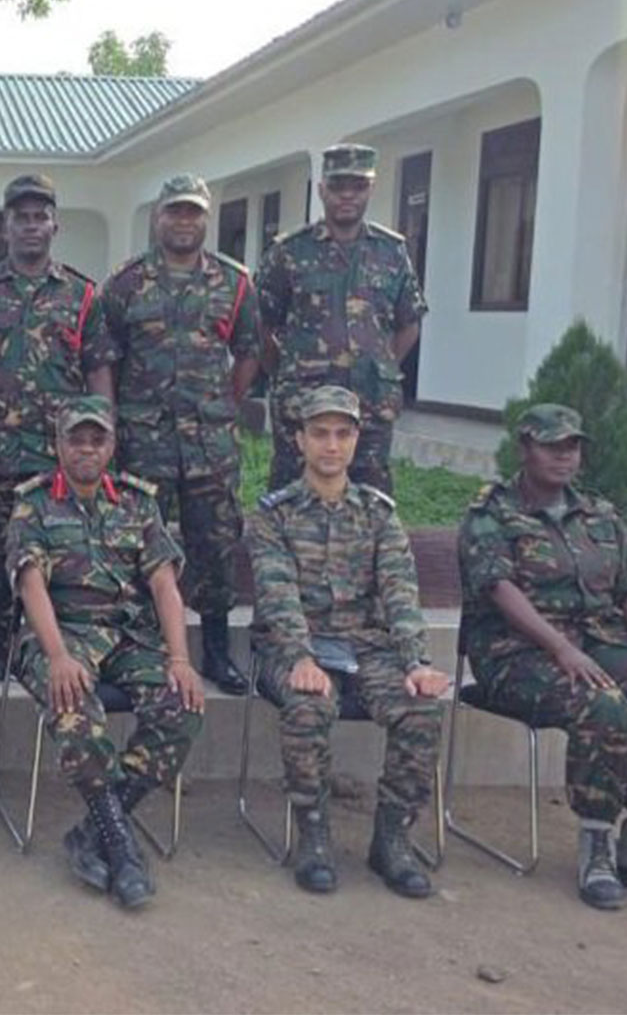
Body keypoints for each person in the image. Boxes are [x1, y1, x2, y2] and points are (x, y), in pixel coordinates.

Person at [459, 403, 627, 910]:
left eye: (573, 446)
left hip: (601, 644)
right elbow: (499, 589)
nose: (565, 456)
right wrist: (561, 649)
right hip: (516, 655)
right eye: (552, 446)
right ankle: (596, 847)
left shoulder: (600, 513)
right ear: (525, 448)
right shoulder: (491, 514)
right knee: (604, 705)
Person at [245, 385, 448, 898]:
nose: (331, 445)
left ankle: (392, 838)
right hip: (297, 646)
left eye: (342, 434)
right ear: (299, 440)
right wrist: (300, 657)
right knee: (308, 705)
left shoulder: (378, 514)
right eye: (319, 433)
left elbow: (400, 593)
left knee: (420, 709)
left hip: (367, 647)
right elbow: (277, 594)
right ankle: (313, 833)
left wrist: (416, 662)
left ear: (356, 440)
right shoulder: (274, 515)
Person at [6, 395, 205, 910]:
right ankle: (121, 846)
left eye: (98, 440)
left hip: (129, 636)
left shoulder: (138, 502)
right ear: (58, 445)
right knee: (73, 709)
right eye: (76, 439)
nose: (87, 449)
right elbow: (31, 585)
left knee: (183, 707)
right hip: (62, 633)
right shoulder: (33, 503)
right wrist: (57, 657)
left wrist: (179, 660)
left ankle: (96, 828)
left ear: (112, 446)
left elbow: (163, 585)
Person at [0, 173, 111, 695]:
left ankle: (45, 647)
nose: (32, 226)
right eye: (22, 217)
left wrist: (105, 441)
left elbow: (99, 368)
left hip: (58, 456)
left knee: (57, 554)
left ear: (55, 225)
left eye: (41, 217)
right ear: (6, 226)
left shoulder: (82, 295)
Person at [103, 173, 260, 695]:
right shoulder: (125, 284)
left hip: (209, 446)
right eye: (175, 211)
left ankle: (215, 650)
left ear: (206, 218)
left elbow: (249, 352)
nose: (184, 221)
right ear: (158, 216)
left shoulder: (234, 283)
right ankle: (141, 651)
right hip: (143, 443)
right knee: (139, 547)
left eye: (193, 212)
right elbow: (107, 358)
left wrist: (221, 405)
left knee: (216, 546)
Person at [255, 143, 426, 495]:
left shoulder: (392, 252)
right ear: (321, 190)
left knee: (371, 496)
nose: (347, 195)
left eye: (358, 186)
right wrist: (285, 371)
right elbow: (260, 324)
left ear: (371, 188)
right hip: (303, 402)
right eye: (337, 186)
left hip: (371, 403)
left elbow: (409, 322)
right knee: (293, 494)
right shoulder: (289, 252)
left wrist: (382, 366)